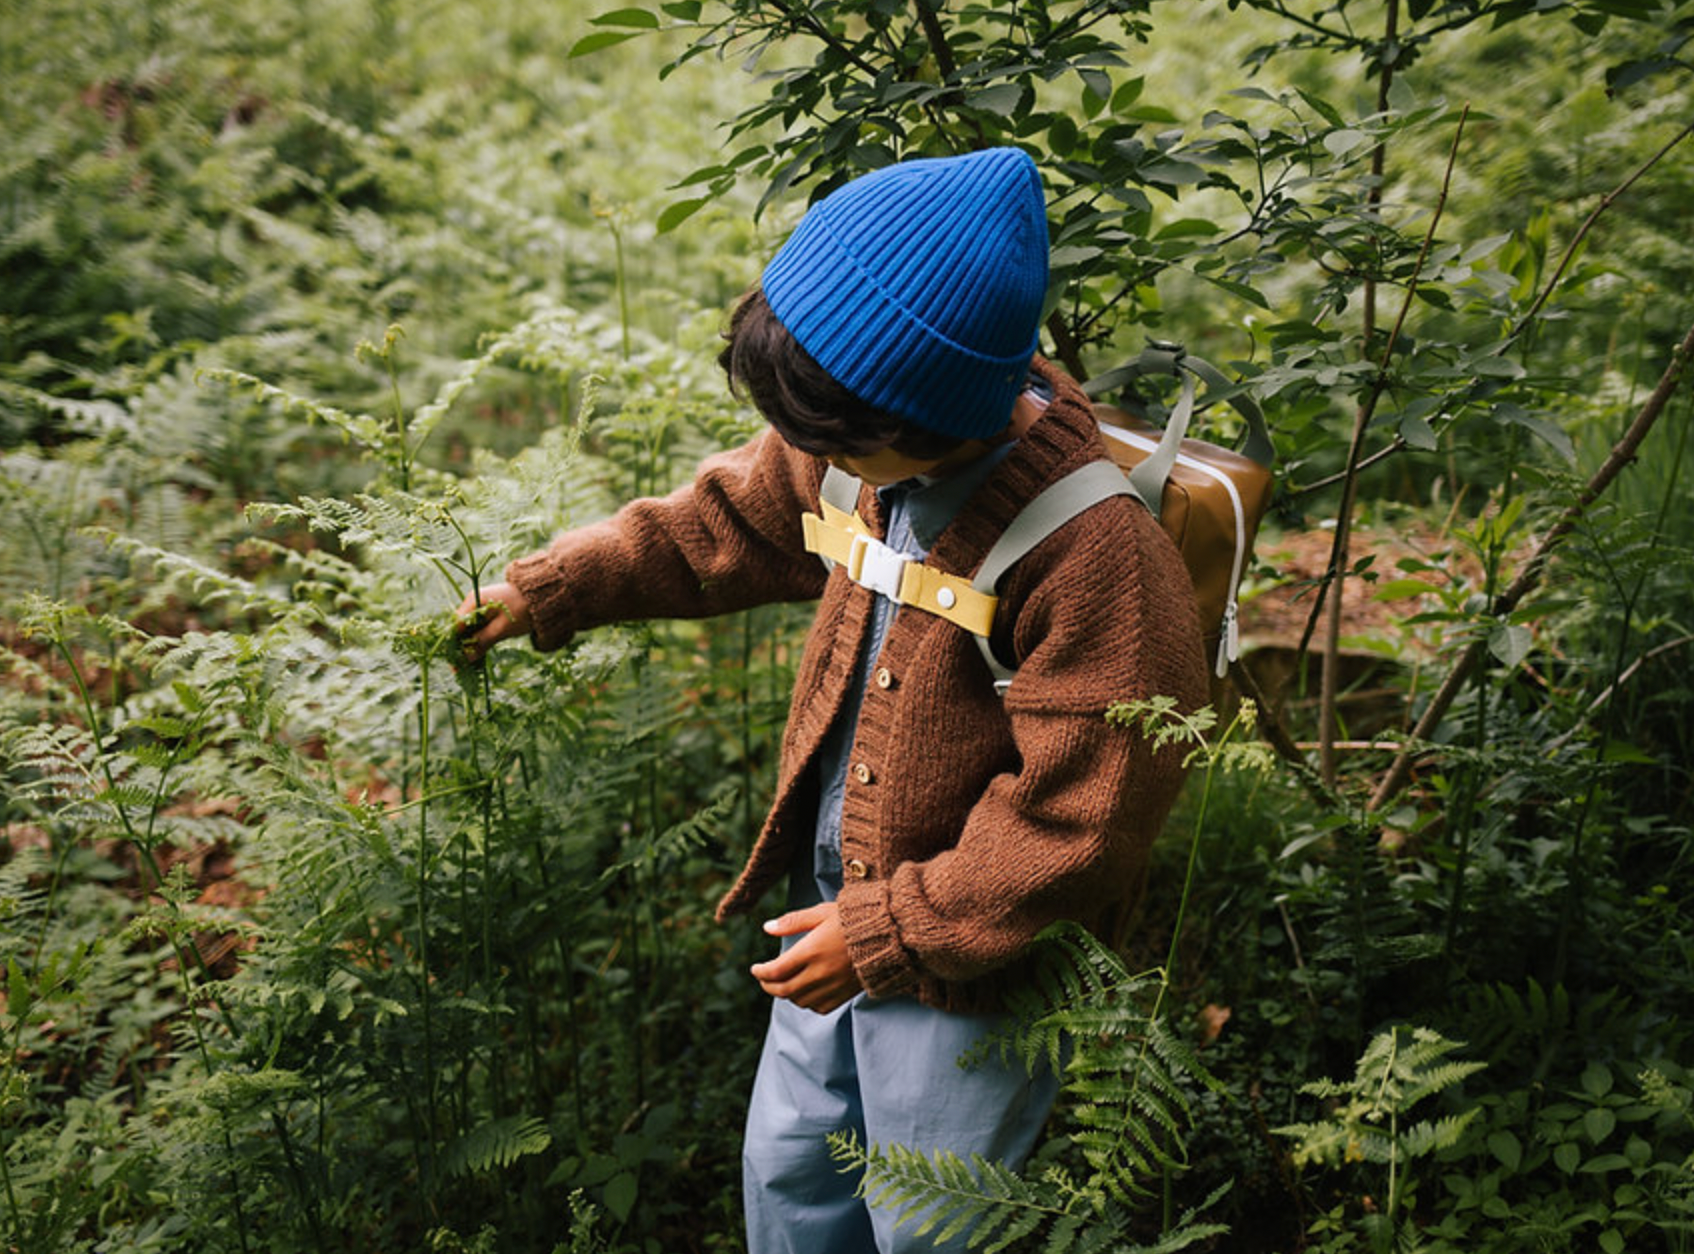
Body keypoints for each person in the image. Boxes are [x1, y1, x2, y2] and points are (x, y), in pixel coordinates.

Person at [455, 147, 1207, 1254]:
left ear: (925, 415)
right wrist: (555, 586)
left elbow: (1083, 816)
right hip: (834, 903)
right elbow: (728, 520)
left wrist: (890, 930)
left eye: (832, 440)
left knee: (929, 1215)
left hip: (975, 962)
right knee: (794, 1175)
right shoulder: (862, 445)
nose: (805, 459)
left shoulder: (1096, 558)